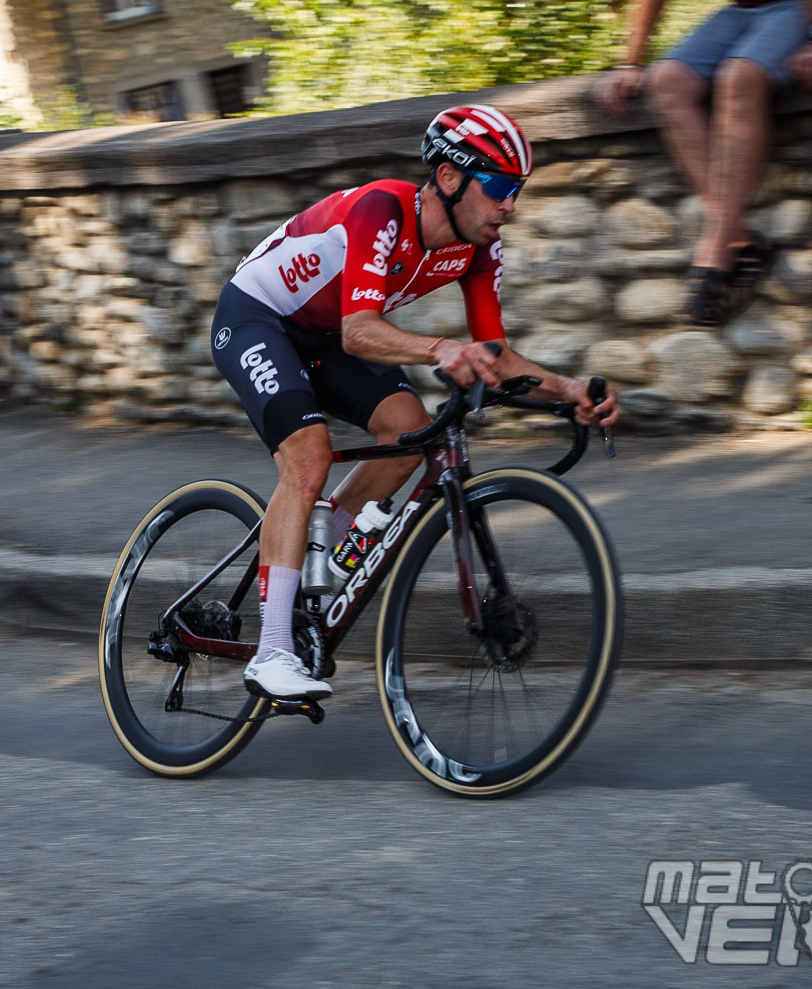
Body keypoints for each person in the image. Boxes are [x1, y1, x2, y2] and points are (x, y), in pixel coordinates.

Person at [211, 104, 620, 701]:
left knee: (408, 438)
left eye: (518, 190)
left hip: (327, 335)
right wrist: (438, 349)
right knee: (308, 457)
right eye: (501, 186)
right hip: (259, 318)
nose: (510, 205)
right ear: (450, 179)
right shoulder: (383, 209)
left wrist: (569, 390)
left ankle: (314, 548)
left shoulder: (479, 248)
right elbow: (360, 331)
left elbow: (495, 355)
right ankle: (271, 653)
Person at [594, 0, 812, 325]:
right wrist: (630, 62)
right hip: (748, 11)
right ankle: (739, 237)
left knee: (740, 76)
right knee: (666, 81)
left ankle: (716, 249)